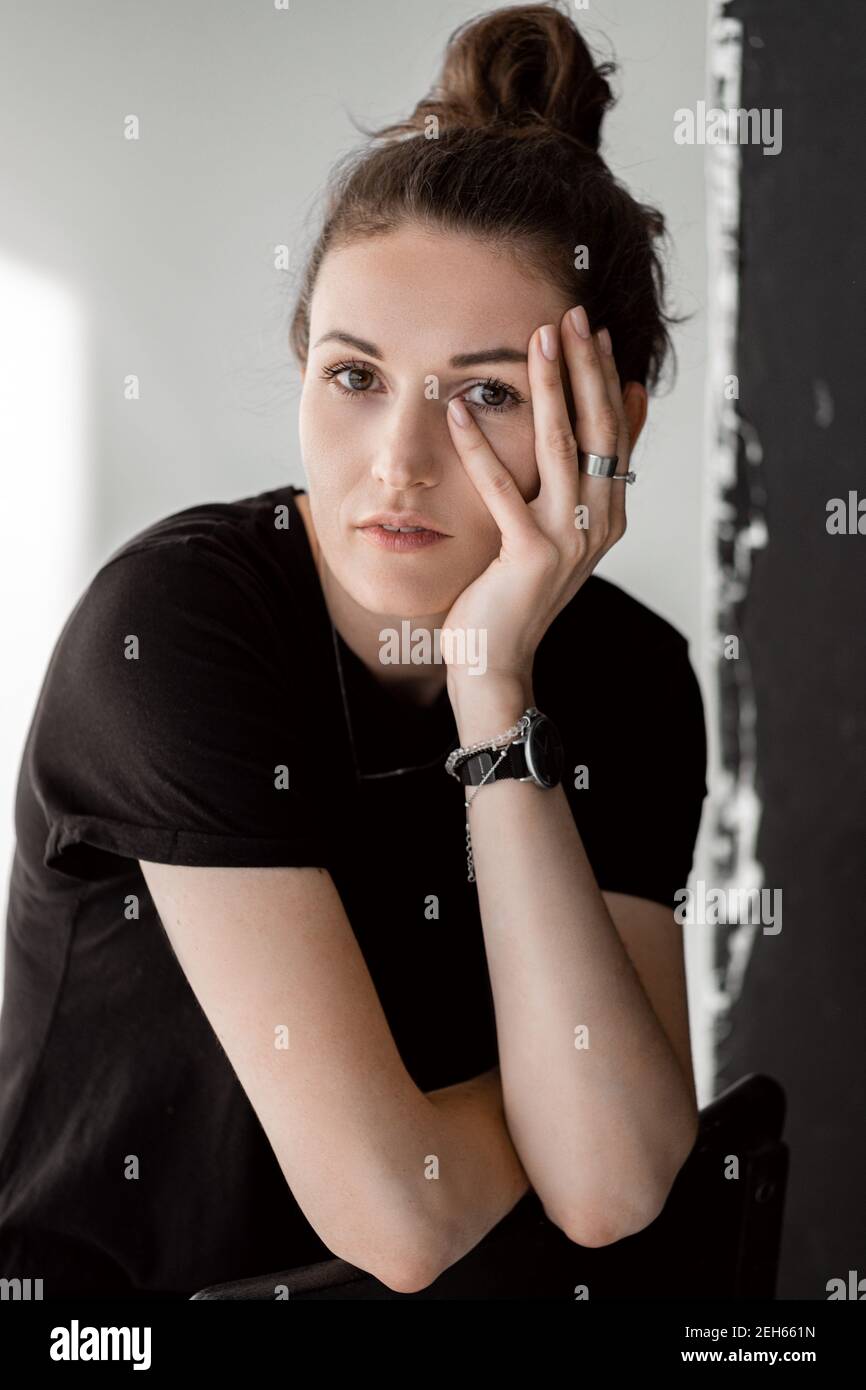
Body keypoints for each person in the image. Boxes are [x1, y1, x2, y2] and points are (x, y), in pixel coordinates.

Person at [0, 2, 708, 1299]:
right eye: (354, 374)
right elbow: (405, 1215)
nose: (396, 461)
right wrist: (572, 1098)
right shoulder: (174, 633)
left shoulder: (624, 672)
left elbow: (608, 1189)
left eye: (487, 391)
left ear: (608, 422)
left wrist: (494, 691)